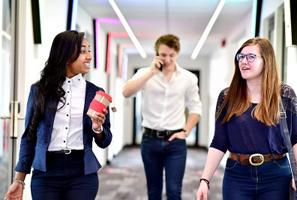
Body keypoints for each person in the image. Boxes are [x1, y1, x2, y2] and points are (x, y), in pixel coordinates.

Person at [4, 30, 112, 200]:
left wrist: (97, 128)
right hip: (46, 173)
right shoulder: (40, 90)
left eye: (89, 50)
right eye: (83, 51)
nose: (89, 56)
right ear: (66, 54)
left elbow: (105, 140)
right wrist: (19, 180)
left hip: (82, 174)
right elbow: (29, 137)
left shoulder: (96, 93)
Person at [196, 37, 297, 200]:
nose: (244, 61)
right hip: (238, 176)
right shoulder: (227, 96)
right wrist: (205, 179)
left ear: (267, 61)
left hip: (276, 174)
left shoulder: (284, 95)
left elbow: (296, 137)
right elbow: (219, 142)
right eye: (241, 57)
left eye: (251, 57)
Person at [123, 34, 202, 200]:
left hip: (175, 143)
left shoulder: (188, 78)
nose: (167, 59)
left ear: (177, 54)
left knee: (174, 192)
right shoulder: (145, 73)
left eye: (171, 55)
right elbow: (126, 92)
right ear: (156, 54)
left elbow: (196, 109)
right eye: (163, 55)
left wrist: (186, 131)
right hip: (149, 141)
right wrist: (151, 72)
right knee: (154, 192)